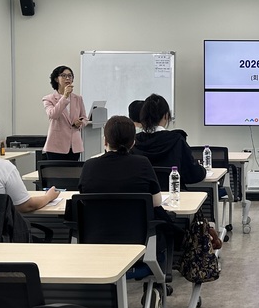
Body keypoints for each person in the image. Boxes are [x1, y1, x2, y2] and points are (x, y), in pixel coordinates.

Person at [79, 115, 177, 272]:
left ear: (105, 141)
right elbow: (156, 202)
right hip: (137, 247)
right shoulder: (142, 164)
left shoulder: (89, 166)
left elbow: (84, 200)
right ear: (133, 142)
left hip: (95, 247)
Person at [133, 94, 206, 185]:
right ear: (166, 116)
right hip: (174, 192)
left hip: (143, 193)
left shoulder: (134, 141)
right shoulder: (177, 140)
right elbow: (193, 175)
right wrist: (203, 170)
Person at [42, 65, 87, 160]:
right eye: (63, 75)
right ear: (56, 79)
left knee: (73, 170)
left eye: (70, 76)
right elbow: (53, 115)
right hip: (56, 146)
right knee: (56, 170)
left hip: (74, 146)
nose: (67, 78)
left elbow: (84, 118)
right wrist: (65, 96)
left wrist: (80, 123)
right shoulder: (48, 99)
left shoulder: (78, 98)